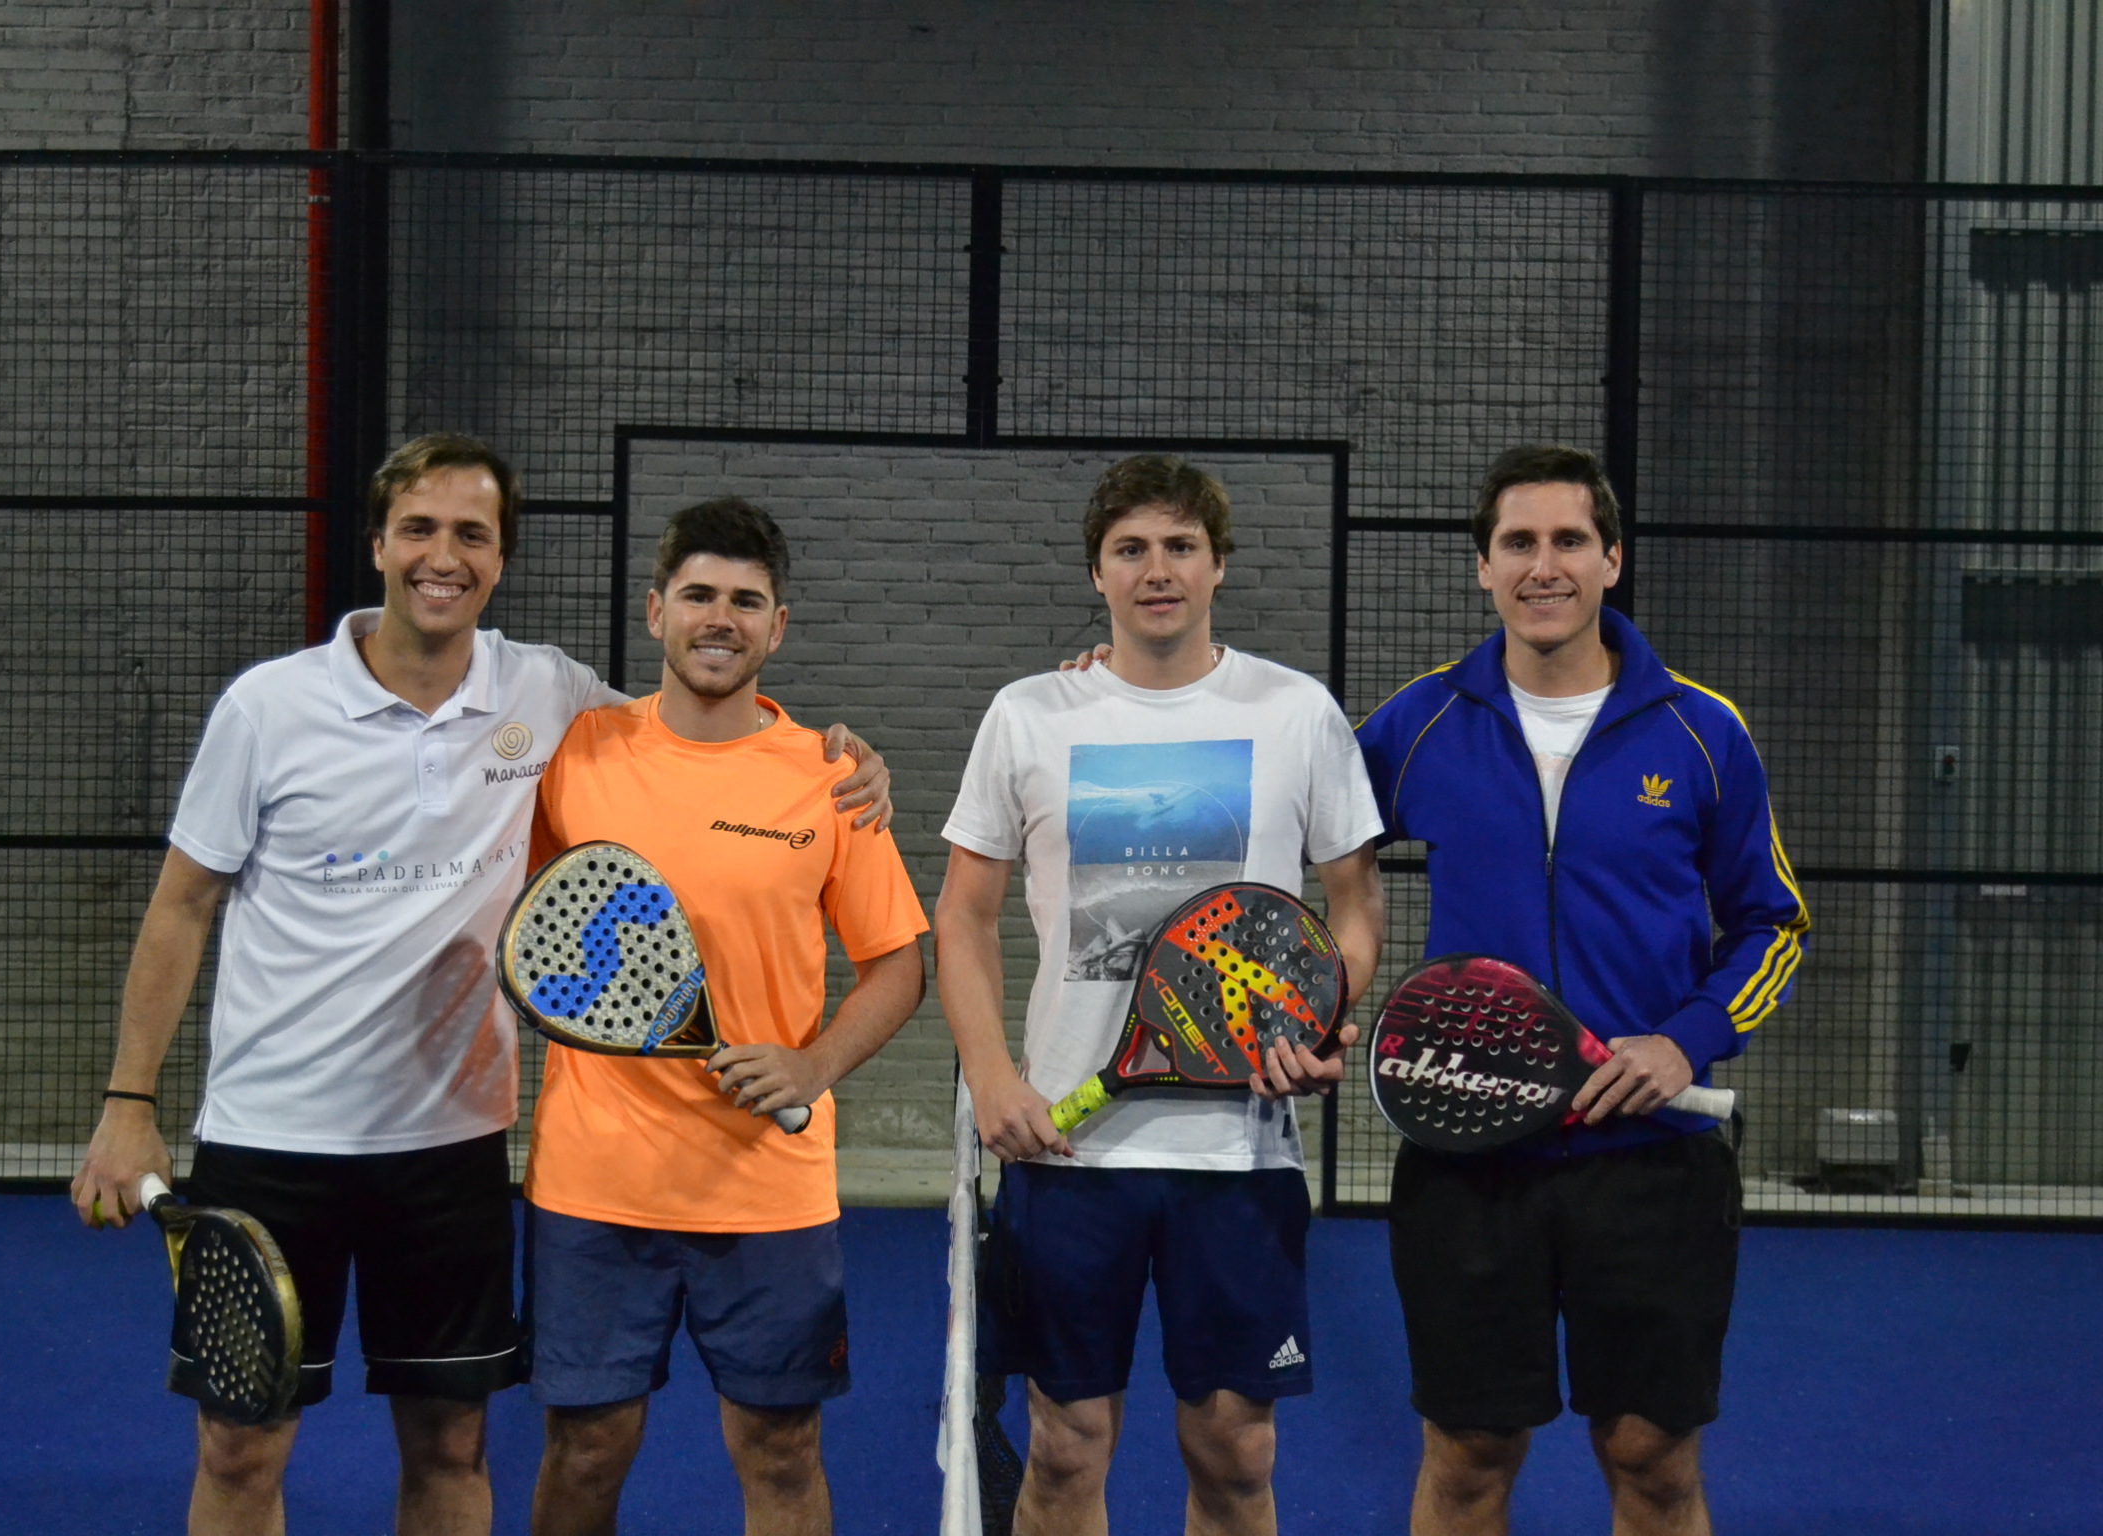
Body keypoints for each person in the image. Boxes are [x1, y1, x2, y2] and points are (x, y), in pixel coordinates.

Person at [68, 438, 891, 1536]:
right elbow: (179, 908)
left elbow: (697, 727)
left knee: (451, 1446)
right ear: (378, 544)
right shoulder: (267, 708)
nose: (442, 556)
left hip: (450, 1146)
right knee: (238, 1443)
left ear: (501, 559)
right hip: (270, 1140)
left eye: (472, 534)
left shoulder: (547, 694)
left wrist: (837, 754)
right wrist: (128, 1104)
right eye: (419, 528)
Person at [1354, 443, 1809, 1536]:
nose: (1543, 565)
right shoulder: (1418, 725)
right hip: (1470, 1159)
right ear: (1483, 567)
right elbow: (1291, 829)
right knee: (1468, 1456)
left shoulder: (1703, 731)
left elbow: (1775, 925)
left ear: (1612, 559)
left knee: (1652, 1458)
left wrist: (1687, 1038)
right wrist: (1124, 670)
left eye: (1569, 540)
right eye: (1518, 543)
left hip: (1652, 1162)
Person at [934, 454, 1386, 1536]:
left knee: (1235, 1455)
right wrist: (992, 1075)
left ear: (1218, 565)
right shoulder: (1029, 714)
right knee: (1063, 1448)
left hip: (1240, 1158)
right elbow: (961, 915)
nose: (1157, 570)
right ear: (1097, 572)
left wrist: (1318, 1019)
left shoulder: (1297, 713)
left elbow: (1355, 906)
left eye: (1181, 546)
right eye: (1130, 549)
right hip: (1065, 1152)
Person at [521, 496, 928, 1536]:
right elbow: (531, 920)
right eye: (699, 595)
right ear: (656, 610)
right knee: (585, 1449)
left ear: (777, 627)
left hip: (768, 1188)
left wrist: (813, 1067)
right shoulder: (578, 753)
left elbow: (897, 967)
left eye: (746, 602)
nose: (720, 619)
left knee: (781, 1452)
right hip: (596, 1180)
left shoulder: (832, 778)